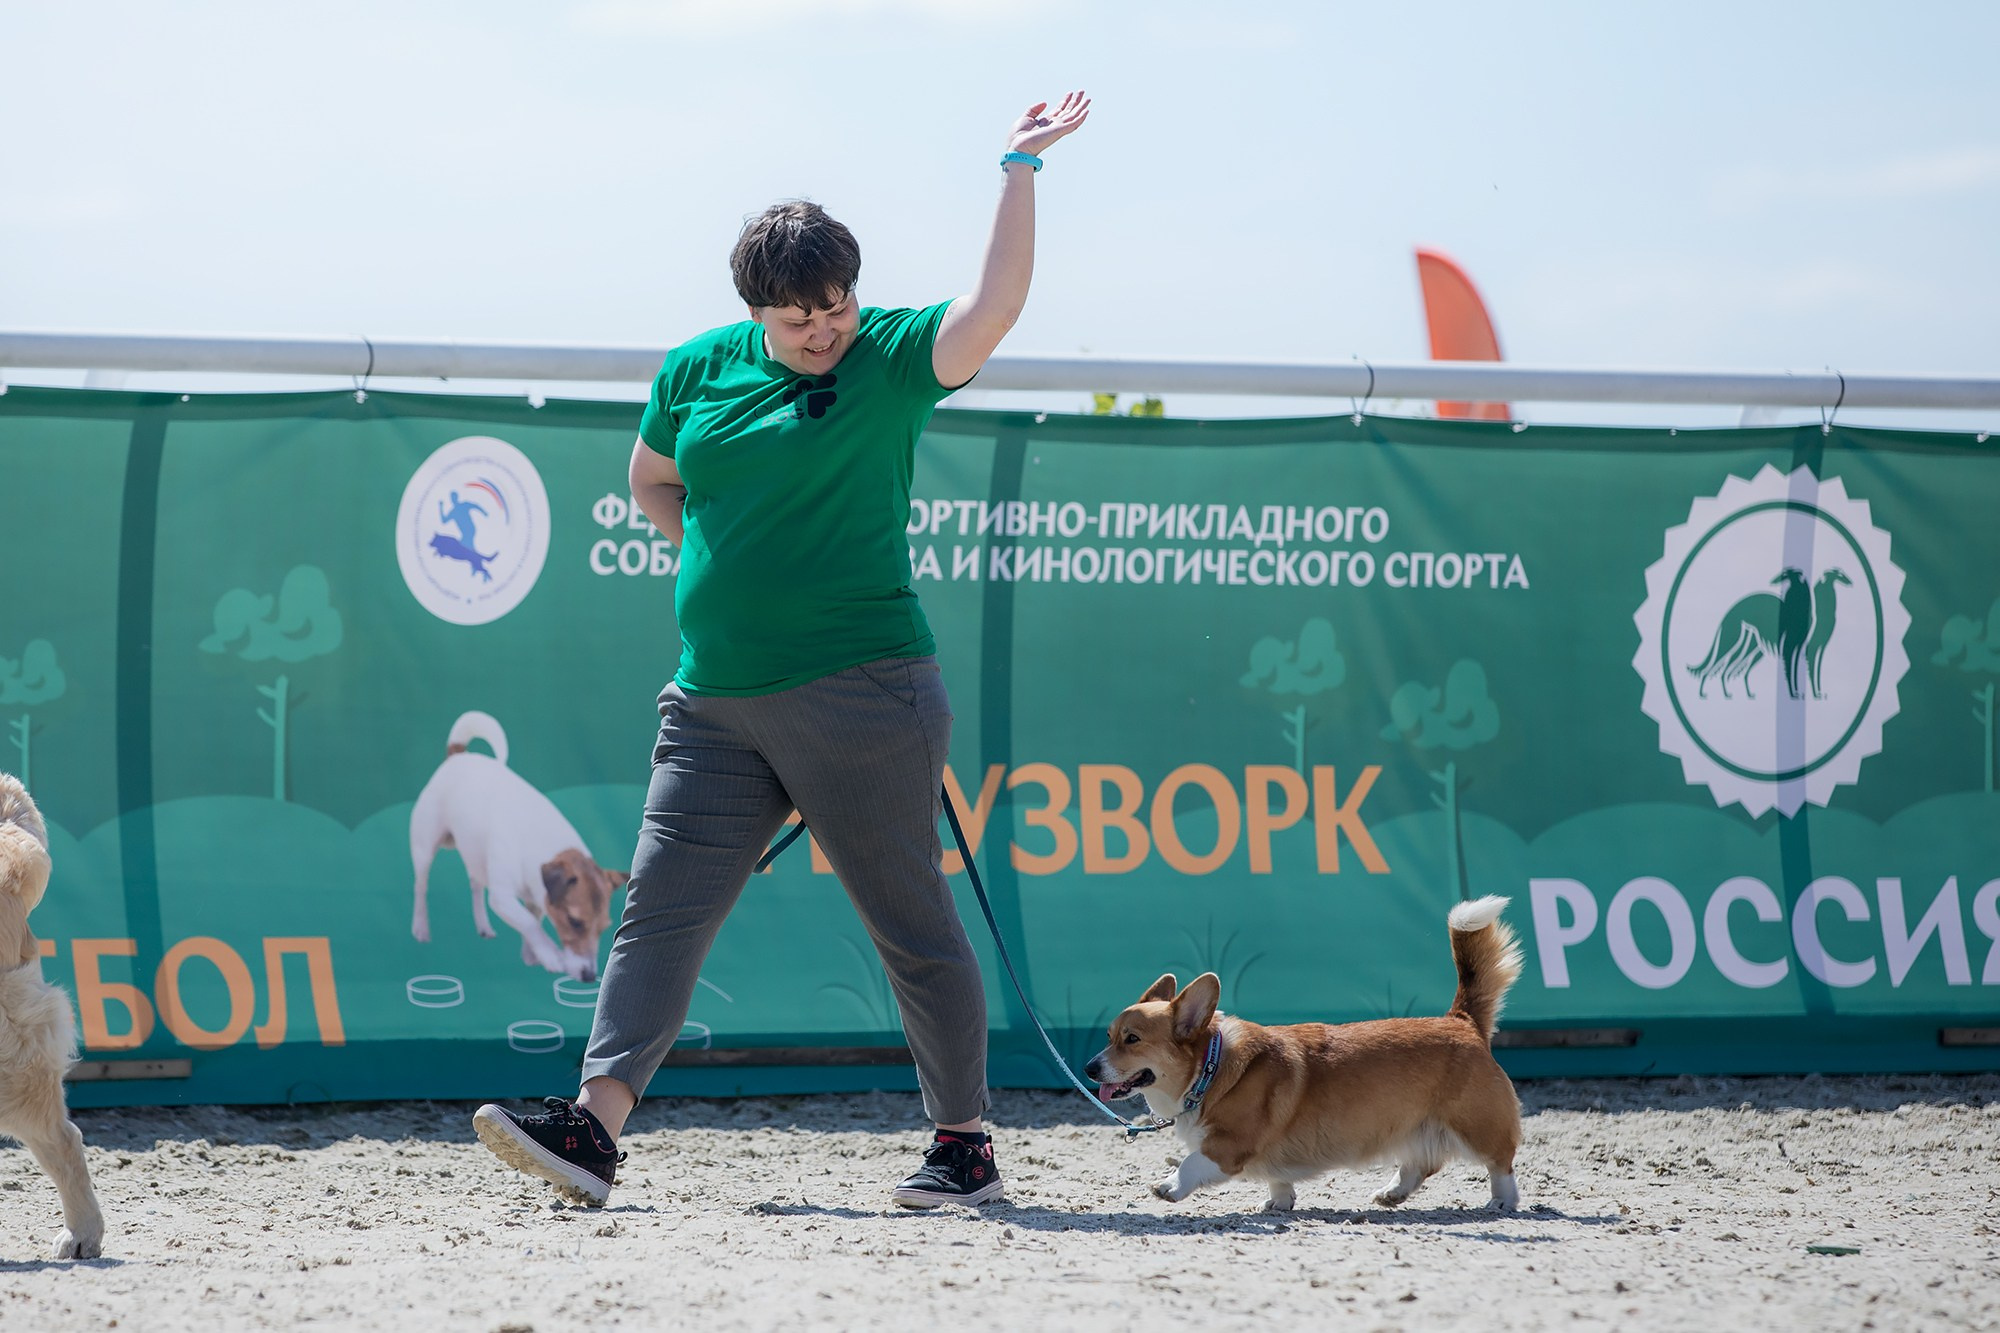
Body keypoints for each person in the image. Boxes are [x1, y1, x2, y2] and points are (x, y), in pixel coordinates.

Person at [472, 92, 1091, 1210]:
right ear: (757, 305)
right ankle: (594, 1129)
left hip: (866, 693)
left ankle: (963, 1143)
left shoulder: (894, 355)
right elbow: (650, 481)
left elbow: (995, 304)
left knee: (907, 924)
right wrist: (720, 563)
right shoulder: (698, 368)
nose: (826, 327)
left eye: (839, 302)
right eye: (802, 311)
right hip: (712, 702)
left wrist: (1016, 169)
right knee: (660, 907)